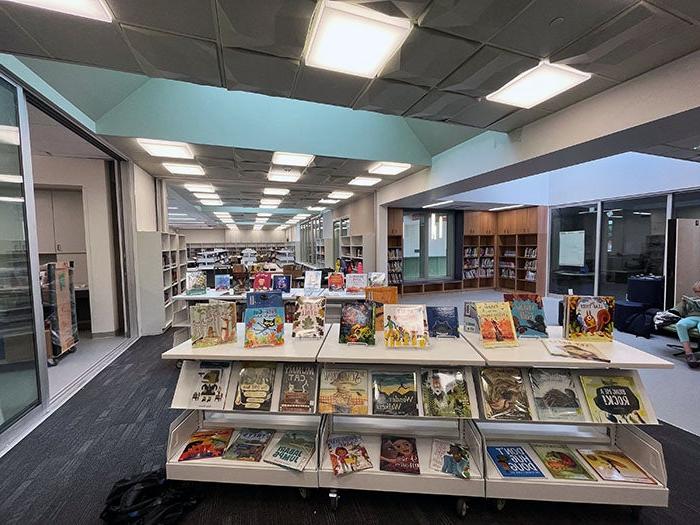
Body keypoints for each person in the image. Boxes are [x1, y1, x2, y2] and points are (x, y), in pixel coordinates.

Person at [673, 281, 700, 369]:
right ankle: (689, 354)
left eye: (699, 292)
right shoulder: (693, 299)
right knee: (680, 325)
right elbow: (681, 313)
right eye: (696, 292)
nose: (697, 294)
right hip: (692, 318)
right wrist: (683, 303)